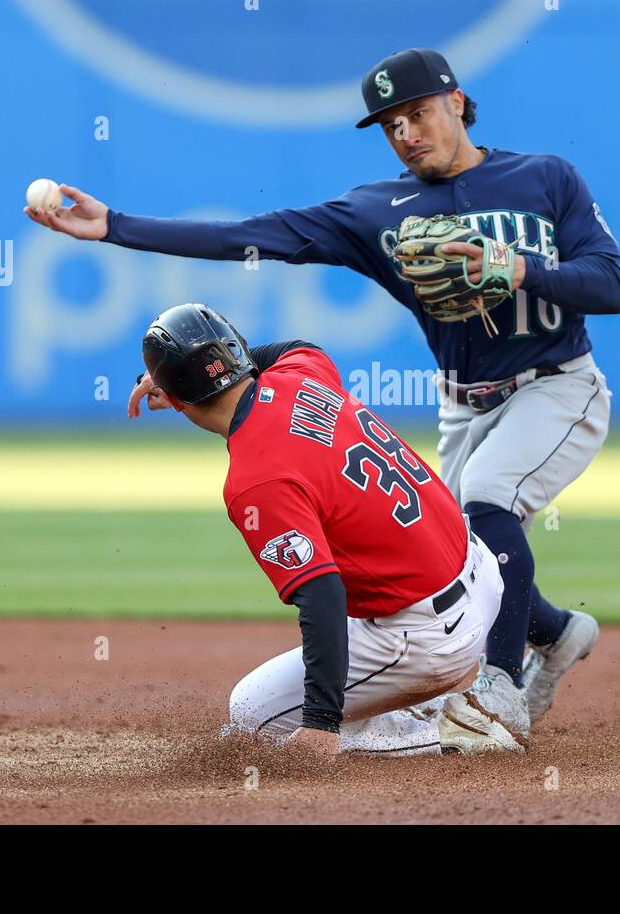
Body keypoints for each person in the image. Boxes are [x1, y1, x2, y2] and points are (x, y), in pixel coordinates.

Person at [30, 47, 620, 751]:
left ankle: (498, 690)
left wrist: (514, 264)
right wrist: (116, 227)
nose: (406, 131)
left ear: (458, 103)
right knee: (459, 552)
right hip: (465, 401)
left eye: (419, 112)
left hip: (559, 384)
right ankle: (556, 633)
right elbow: (253, 236)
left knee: (488, 501)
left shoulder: (545, 177)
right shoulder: (379, 211)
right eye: (391, 123)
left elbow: (611, 286)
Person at [127, 302, 513, 756]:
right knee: (346, 554)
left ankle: (448, 735)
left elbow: (322, 593)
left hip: (429, 636)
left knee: (251, 715)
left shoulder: (256, 479)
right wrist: (212, 367)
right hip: (479, 572)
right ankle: (407, 704)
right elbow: (297, 347)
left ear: (172, 399)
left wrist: (321, 721)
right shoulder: (300, 375)